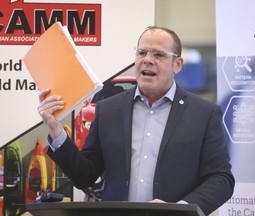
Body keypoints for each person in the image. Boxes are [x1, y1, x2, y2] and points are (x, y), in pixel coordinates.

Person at [38, 26, 235, 215]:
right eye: (142, 53)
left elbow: (221, 179)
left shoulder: (203, 113)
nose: (147, 60)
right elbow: (85, 175)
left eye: (158, 54)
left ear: (178, 64)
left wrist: (181, 209)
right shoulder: (109, 109)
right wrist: (55, 129)